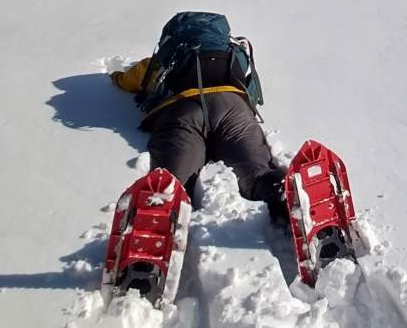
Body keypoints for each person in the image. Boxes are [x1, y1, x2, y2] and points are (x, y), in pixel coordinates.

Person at [110, 11, 287, 223]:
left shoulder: (166, 59)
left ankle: (159, 226)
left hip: (183, 111)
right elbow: (253, 93)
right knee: (258, 172)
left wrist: (116, 77)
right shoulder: (233, 54)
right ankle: (284, 197)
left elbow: (128, 80)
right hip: (232, 108)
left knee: (174, 184)